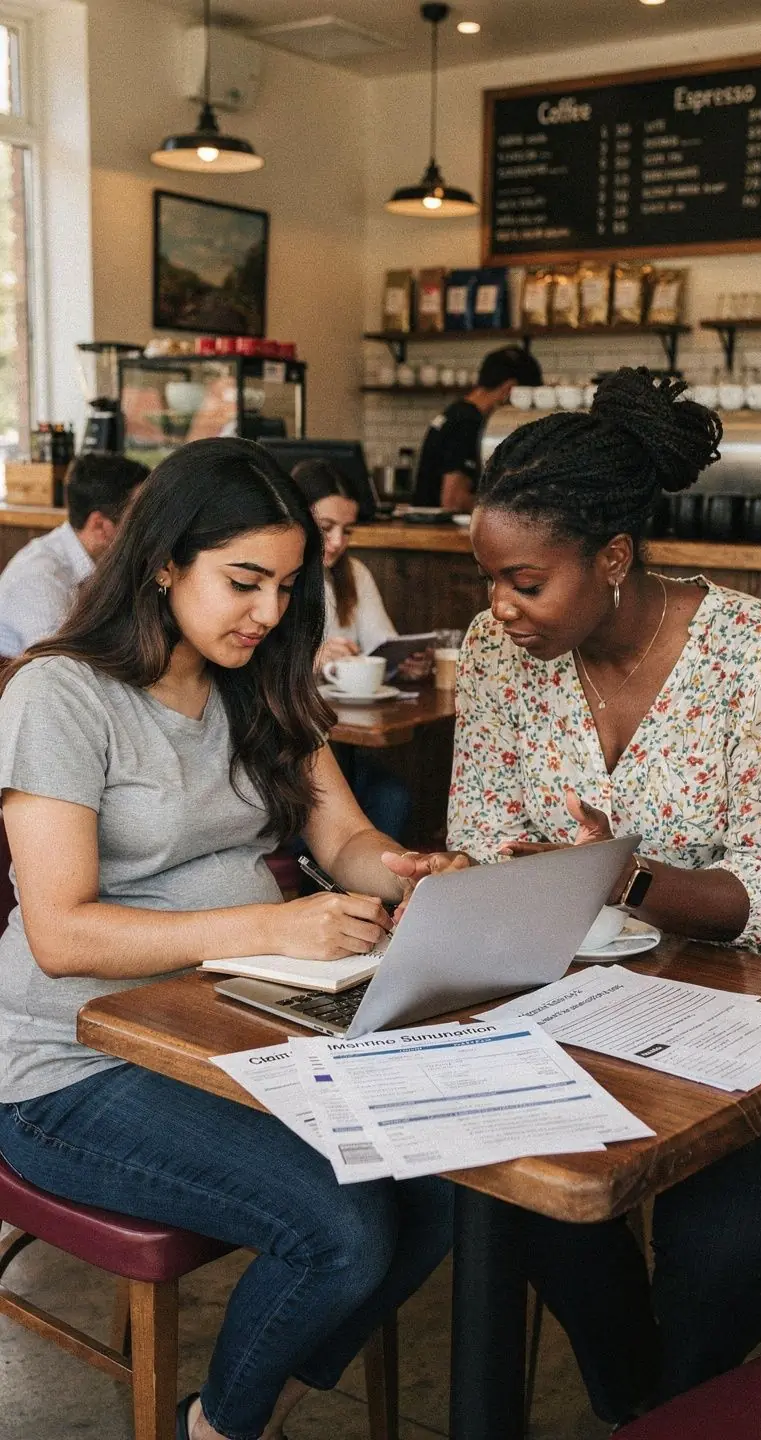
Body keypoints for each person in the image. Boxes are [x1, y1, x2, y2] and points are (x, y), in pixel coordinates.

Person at [0, 437, 460, 1440]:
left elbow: (342, 836)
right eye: (243, 581)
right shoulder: (61, 694)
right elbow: (60, 932)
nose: (267, 611)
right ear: (165, 561)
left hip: (231, 1032)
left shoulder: (255, 680)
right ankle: (224, 1428)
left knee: (448, 1182)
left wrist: (413, 874)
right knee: (340, 1229)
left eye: (287, 587)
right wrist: (274, 925)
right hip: (65, 1065)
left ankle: (259, 1392)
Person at [446, 367, 761, 1425]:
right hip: (564, 992)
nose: (499, 609)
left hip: (754, 1001)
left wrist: (635, 879)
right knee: (523, 1190)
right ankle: (644, 1406)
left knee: (726, 1250)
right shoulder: (498, 656)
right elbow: (478, 833)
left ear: (613, 558)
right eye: (489, 581)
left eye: (524, 581)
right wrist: (478, 882)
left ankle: (661, 1404)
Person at [292, 457, 426, 841]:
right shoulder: (280, 580)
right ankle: (319, 896)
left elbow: (382, 649)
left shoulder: (353, 575)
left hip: (342, 737)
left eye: (347, 530)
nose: (337, 542)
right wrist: (311, 662)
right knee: (316, 805)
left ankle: (364, 896)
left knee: (394, 797)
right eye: (326, 528)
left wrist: (405, 663)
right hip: (292, 738)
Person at [0, 451, 148, 656]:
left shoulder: (102, 562)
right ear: (100, 526)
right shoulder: (42, 576)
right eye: (139, 516)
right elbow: (56, 666)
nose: (148, 525)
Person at [413, 345, 542, 512]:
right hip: (441, 533)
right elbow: (454, 500)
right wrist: (514, 507)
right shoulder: (469, 423)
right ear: (509, 389)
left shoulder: (456, 412)